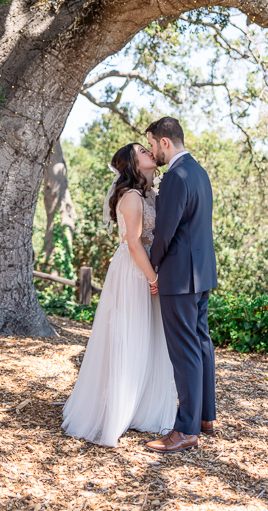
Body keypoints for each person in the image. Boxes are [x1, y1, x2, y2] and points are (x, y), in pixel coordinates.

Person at [61, 142, 177, 447]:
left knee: (150, 338)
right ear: (132, 164)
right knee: (130, 336)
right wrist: (153, 278)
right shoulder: (131, 198)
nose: (149, 152)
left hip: (149, 269)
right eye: (142, 151)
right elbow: (135, 244)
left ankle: (141, 408)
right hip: (134, 272)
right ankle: (113, 412)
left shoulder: (152, 194)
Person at [145, 116, 218, 454]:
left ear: (165, 142)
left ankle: (186, 429)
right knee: (201, 343)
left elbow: (165, 232)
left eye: (151, 144)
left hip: (178, 276)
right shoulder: (200, 172)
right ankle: (205, 417)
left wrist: (153, 266)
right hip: (202, 274)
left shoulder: (175, 176)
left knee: (185, 350)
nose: (151, 151)